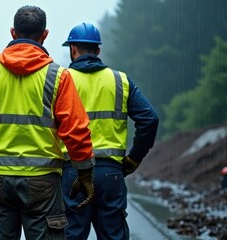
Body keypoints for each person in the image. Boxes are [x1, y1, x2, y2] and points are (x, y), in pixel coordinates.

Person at [0, 6, 96, 239]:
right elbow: (76, 131)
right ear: (45, 35)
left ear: (13, 33)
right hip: (44, 182)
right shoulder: (58, 76)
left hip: (0, 181)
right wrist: (85, 175)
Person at [59, 22, 159, 240]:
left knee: (71, 234)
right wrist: (134, 158)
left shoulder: (60, 81)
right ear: (98, 51)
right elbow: (149, 119)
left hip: (72, 171)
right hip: (110, 172)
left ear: (72, 49)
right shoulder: (120, 81)